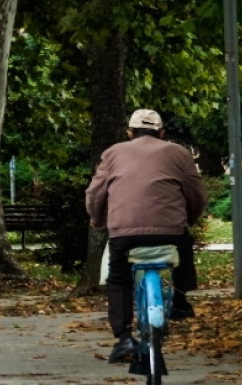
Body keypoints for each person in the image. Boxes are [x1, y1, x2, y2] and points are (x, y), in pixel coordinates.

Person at [85, 109, 208, 363]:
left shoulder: (112, 154)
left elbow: (95, 194)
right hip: (171, 230)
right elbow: (197, 194)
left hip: (123, 233)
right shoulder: (179, 153)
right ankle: (182, 303)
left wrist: (97, 220)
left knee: (118, 279)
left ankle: (124, 338)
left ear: (129, 133)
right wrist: (190, 220)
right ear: (161, 133)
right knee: (184, 247)